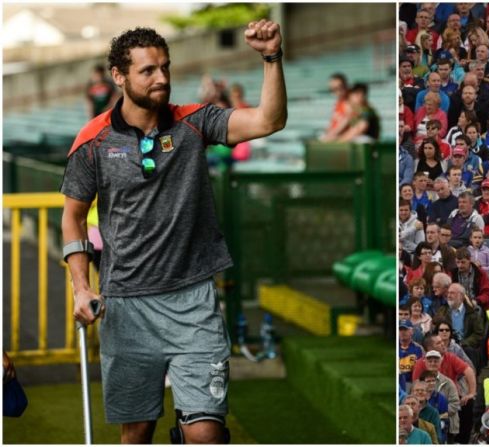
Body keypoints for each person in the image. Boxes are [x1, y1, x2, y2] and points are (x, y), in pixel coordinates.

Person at [61, 22, 286, 443]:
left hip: (193, 303)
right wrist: (80, 286)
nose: (161, 77)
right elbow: (72, 218)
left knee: (206, 435)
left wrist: (271, 58)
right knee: (137, 433)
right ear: (119, 75)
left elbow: (269, 121)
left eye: (165, 67)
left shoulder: (194, 123)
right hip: (125, 304)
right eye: (148, 70)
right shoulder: (92, 141)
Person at [320, 73, 350, 141]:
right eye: (332, 89)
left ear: (345, 85)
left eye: (339, 88)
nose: (336, 92)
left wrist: (330, 135)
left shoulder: (350, 101)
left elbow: (346, 121)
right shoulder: (340, 101)